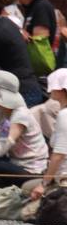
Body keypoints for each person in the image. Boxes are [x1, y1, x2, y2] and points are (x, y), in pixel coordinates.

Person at [28, 68, 67, 200]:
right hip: (59, 175)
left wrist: (44, 184)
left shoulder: (64, 115)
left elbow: (59, 155)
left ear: (62, 90)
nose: (50, 90)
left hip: (62, 179)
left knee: (26, 188)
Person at [12, 0, 57, 75]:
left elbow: (39, 43)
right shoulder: (31, 6)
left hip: (40, 74)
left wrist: (16, 30)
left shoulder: (41, 6)